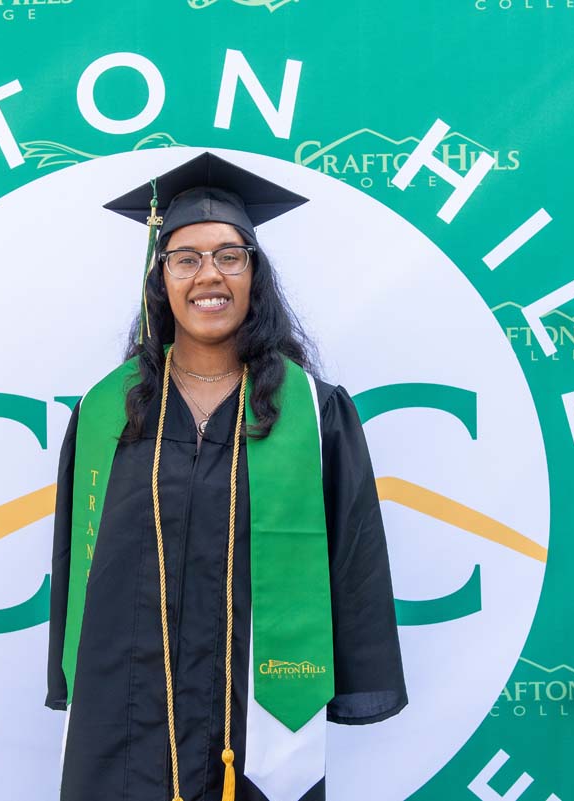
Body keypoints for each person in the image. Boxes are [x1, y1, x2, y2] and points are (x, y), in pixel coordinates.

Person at [46, 152, 406, 801]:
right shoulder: (108, 414)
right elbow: (78, 563)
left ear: (253, 274)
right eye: (186, 257)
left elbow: (352, 563)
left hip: (254, 724)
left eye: (229, 255)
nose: (208, 275)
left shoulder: (314, 413)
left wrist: (350, 676)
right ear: (160, 278)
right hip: (125, 721)